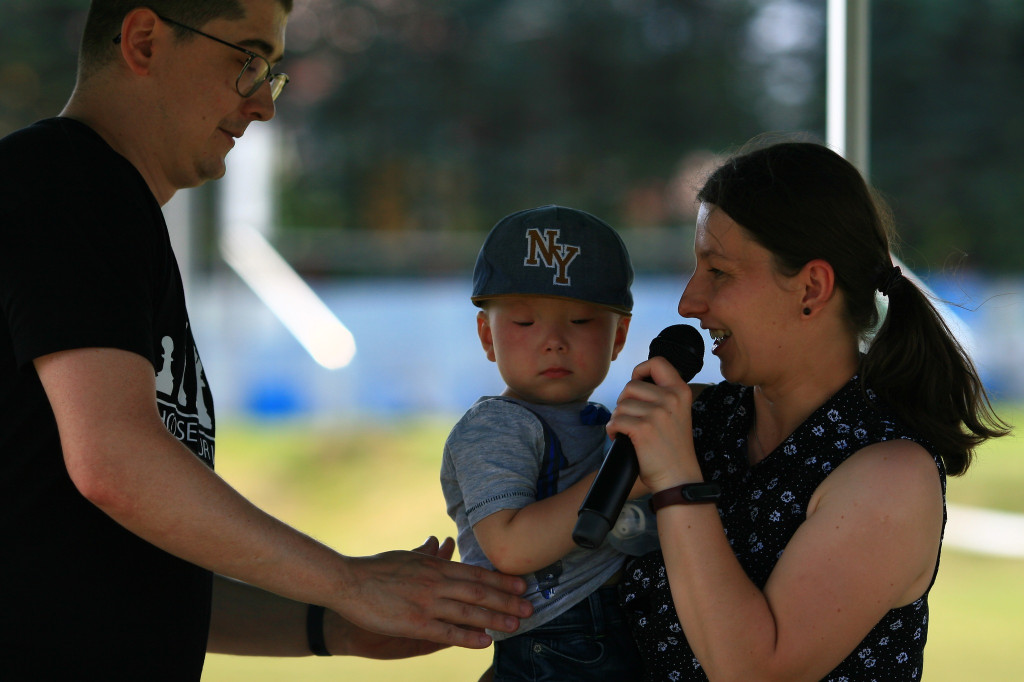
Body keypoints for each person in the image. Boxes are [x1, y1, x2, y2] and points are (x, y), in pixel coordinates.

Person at [0, 1, 532, 678]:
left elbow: (127, 580)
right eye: (248, 61)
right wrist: (348, 581)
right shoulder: (69, 182)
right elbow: (115, 464)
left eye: (270, 73)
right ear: (144, 41)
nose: (263, 106)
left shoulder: (101, 203)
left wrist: (334, 625)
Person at [606, 139, 1010, 681]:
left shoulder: (891, 474)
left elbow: (756, 671)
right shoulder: (697, 420)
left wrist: (677, 480)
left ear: (812, 288)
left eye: (719, 272)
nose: (689, 302)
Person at [441, 205, 645, 681]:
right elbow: (511, 547)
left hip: (621, 619)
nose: (553, 341)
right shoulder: (497, 426)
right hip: (558, 637)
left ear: (619, 337)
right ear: (486, 336)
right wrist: (631, 478)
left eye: (581, 321)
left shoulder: (605, 420)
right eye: (525, 323)